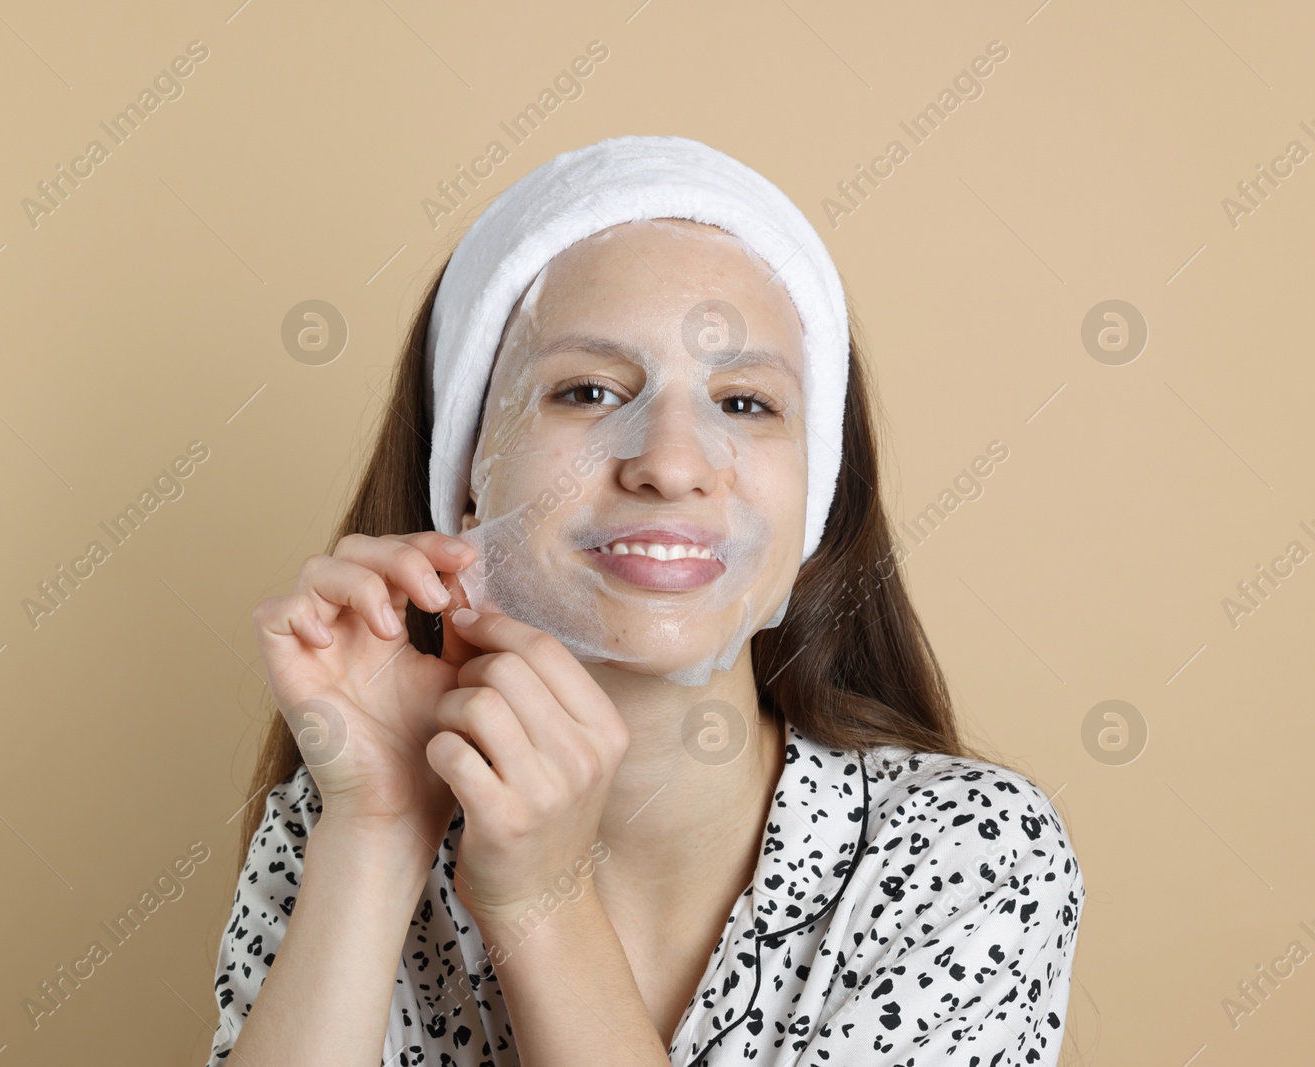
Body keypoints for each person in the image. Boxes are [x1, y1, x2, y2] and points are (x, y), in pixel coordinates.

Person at [203, 136, 1083, 1066]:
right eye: (587, 391)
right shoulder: (336, 819)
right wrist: (379, 828)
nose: (669, 463)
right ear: (465, 475)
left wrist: (545, 902)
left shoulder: (965, 857)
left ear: (815, 499)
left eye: (745, 403)